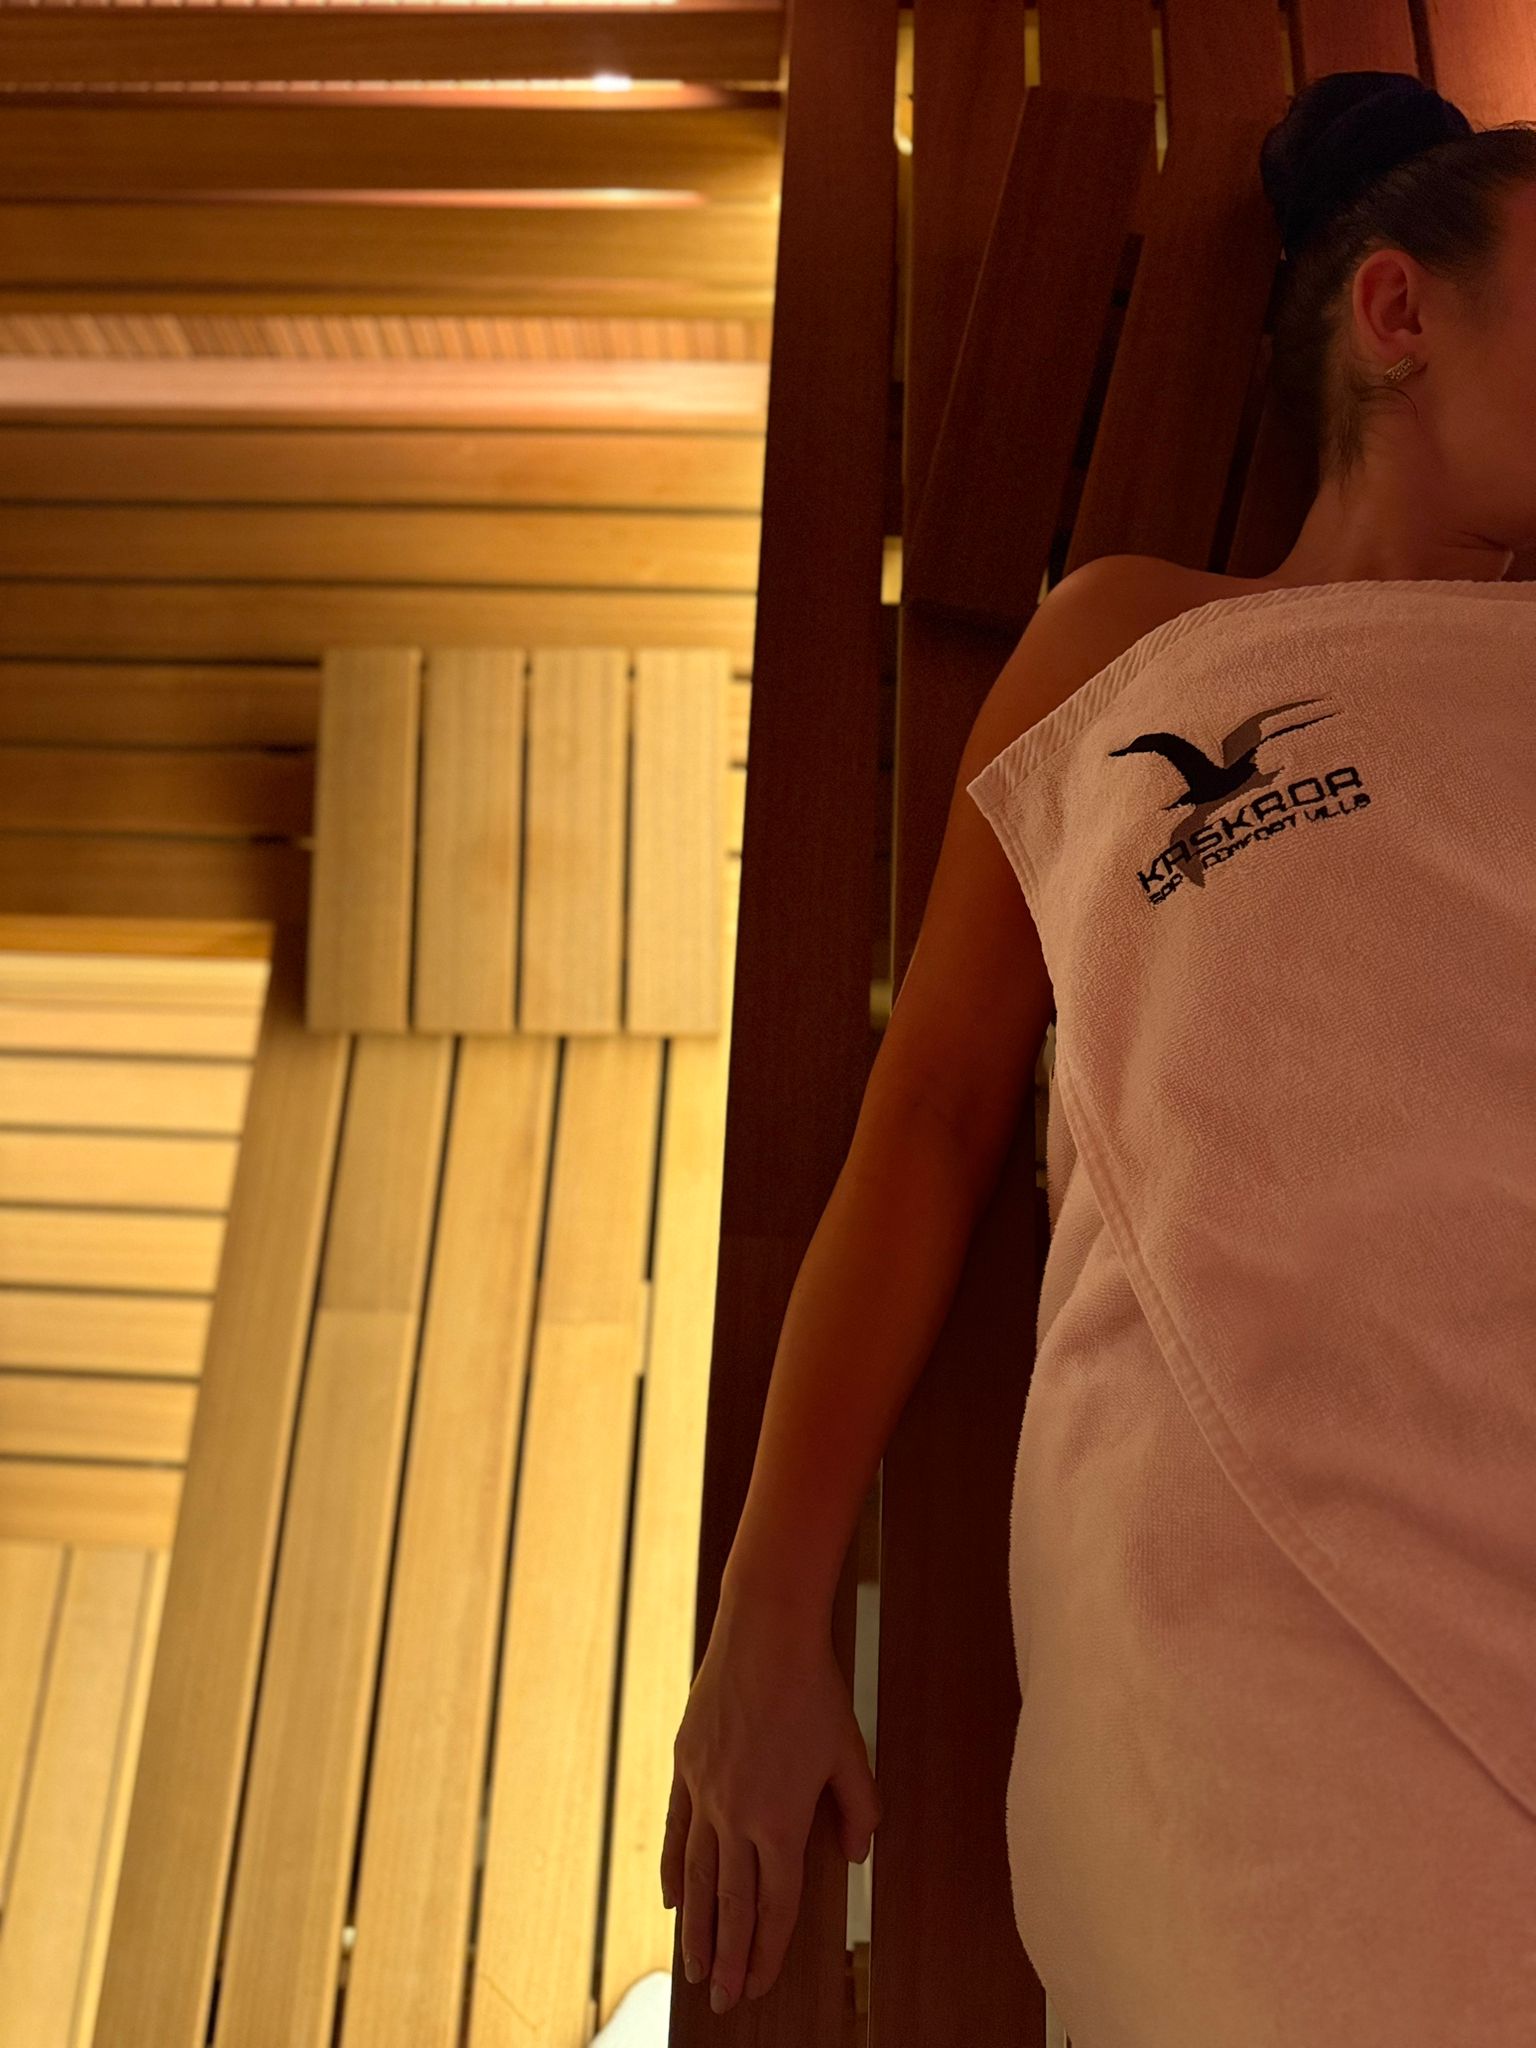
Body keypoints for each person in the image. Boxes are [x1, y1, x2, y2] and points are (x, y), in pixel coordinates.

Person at [659, 67, 1536, 2045]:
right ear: (1400, 310)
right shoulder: (1131, 646)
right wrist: (770, 1609)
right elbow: (930, 1116)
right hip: (1238, 1585)